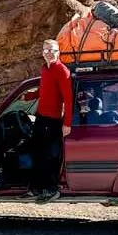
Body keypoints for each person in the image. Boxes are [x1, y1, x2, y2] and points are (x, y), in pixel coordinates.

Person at [22, 38, 72, 202]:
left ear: (59, 52)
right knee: (36, 152)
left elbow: (68, 99)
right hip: (41, 118)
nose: (49, 53)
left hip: (53, 120)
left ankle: (51, 189)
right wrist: (29, 96)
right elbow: (44, 90)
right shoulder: (45, 69)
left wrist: (67, 123)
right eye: (46, 50)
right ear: (42, 53)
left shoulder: (61, 71)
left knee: (47, 155)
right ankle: (36, 188)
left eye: (52, 50)